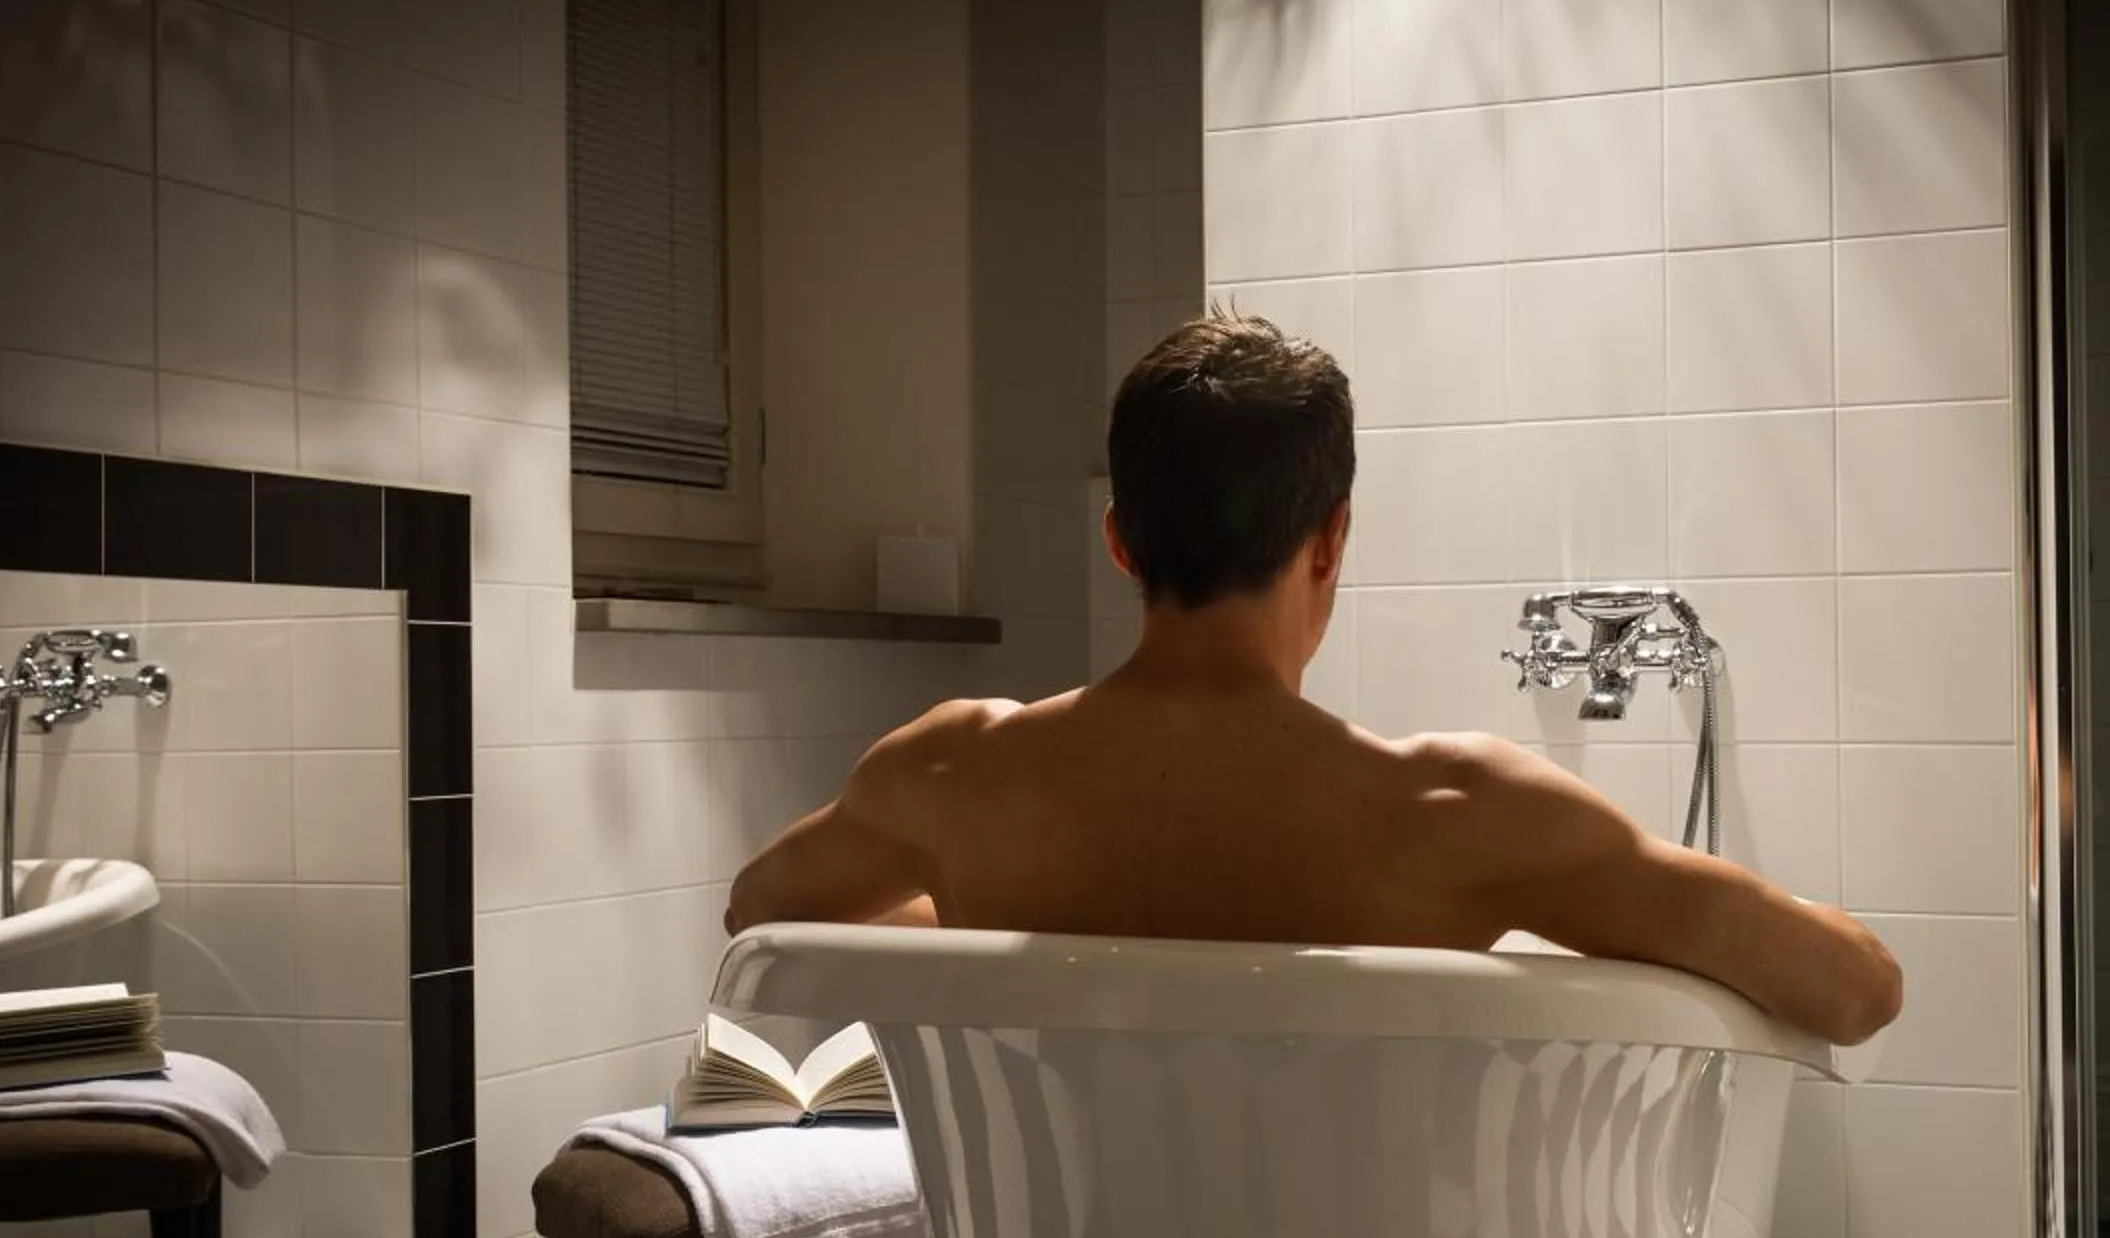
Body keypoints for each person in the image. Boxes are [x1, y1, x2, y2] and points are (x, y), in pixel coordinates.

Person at [724, 314, 1903, 1046]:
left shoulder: (951, 775)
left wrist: (983, 906)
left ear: (1121, 541)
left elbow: (759, 905)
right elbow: (1854, 990)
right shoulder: (1458, 815)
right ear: (1330, 539)